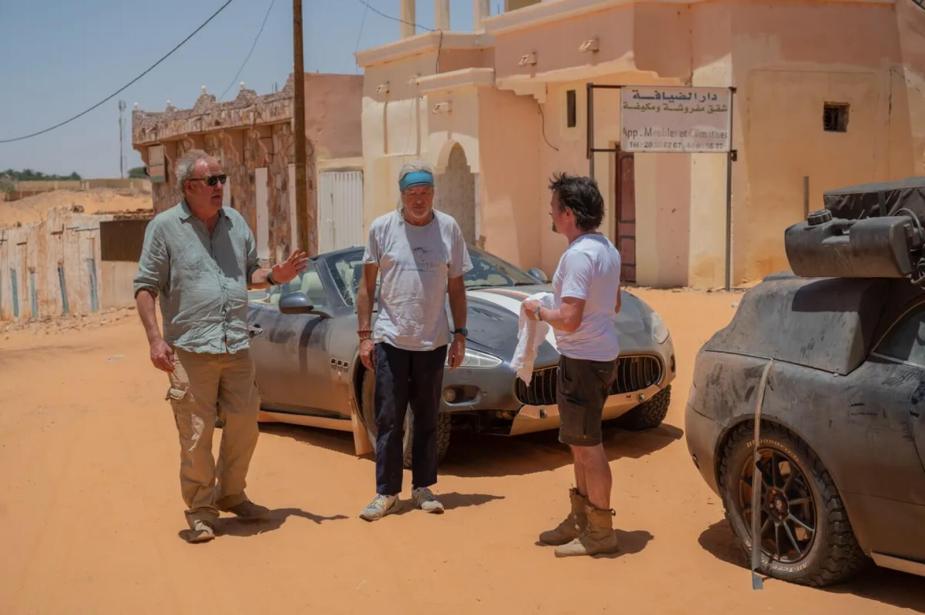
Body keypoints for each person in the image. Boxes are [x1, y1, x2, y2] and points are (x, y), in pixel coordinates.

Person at [133, 149, 307, 543]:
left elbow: (251, 272)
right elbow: (145, 286)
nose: (219, 187)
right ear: (189, 187)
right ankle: (200, 510)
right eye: (211, 181)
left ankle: (231, 494)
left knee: (246, 423)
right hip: (190, 349)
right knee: (196, 436)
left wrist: (275, 276)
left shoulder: (235, 223)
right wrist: (155, 339)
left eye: (221, 179)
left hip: (235, 344)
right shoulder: (164, 228)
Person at [355, 161, 472, 521]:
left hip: (433, 340)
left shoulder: (448, 228)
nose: (418, 200)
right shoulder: (382, 229)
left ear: (433, 194)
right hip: (391, 338)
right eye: (412, 194)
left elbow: (456, 286)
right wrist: (364, 335)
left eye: (425, 193)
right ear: (401, 195)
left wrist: (460, 335)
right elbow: (367, 287)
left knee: (426, 417)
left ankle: (423, 488)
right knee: (389, 418)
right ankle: (386, 493)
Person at [523, 173, 623, 557]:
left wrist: (538, 310)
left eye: (554, 207)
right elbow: (613, 304)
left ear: (567, 213)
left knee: (589, 447)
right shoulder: (607, 250)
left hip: (583, 359)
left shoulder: (579, 255)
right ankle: (581, 520)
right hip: (595, 356)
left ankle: (600, 531)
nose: (550, 212)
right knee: (580, 445)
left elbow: (569, 318)